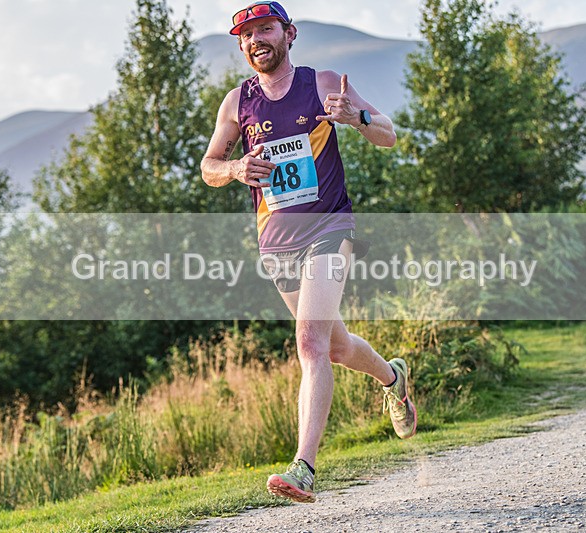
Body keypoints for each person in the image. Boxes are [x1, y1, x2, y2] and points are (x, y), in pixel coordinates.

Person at [200, 1, 416, 504]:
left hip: (329, 227)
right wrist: (234, 170)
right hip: (276, 243)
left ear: (289, 34)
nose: (257, 39)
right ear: (241, 44)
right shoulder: (236, 104)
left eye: (266, 29)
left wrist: (357, 117)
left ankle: (304, 468)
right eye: (247, 33)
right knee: (335, 346)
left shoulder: (321, 84)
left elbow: (388, 134)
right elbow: (209, 166)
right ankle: (393, 377)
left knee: (310, 345)